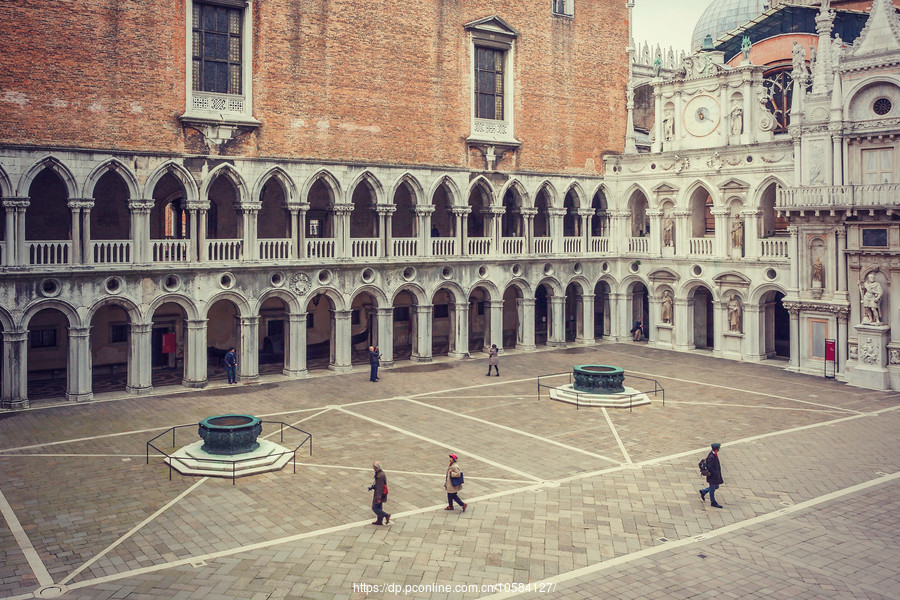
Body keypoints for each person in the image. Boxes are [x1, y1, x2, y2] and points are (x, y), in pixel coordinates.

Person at [699, 443, 724, 508]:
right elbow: (710, 467)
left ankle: (704, 491)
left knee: (716, 486)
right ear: (716, 449)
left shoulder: (713, 454)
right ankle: (713, 502)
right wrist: (715, 473)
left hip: (715, 475)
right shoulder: (711, 457)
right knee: (712, 489)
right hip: (712, 476)